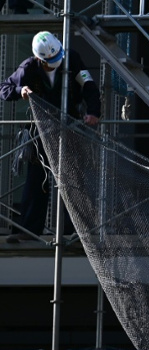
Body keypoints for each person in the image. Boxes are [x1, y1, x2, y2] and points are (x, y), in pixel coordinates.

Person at [0, 31, 101, 243]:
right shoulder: (29, 67)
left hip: (70, 128)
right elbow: (5, 88)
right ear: (39, 59)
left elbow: (89, 86)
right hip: (41, 133)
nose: (55, 63)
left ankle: (76, 231)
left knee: (74, 180)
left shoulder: (71, 58)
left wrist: (93, 111)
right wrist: (21, 90)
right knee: (38, 180)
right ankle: (28, 230)